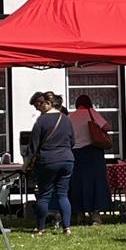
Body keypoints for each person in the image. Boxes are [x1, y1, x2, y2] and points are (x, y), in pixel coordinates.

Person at [27, 91, 76, 235]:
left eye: (38, 105)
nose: (37, 109)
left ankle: (41, 228)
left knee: (44, 195)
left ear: (47, 103)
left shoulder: (41, 121)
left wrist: (26, 165)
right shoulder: (66, 119)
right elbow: (73, 141)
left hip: (47, 160)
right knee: (63, 194)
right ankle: (66, 228)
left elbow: (32, 147)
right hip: (67, 159)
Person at [66, 94, 115, 224]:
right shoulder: (91, 112)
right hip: (93, 152)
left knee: (77, 184)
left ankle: (80, 215)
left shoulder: (70, 117)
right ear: (89, 103)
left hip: (75, 153)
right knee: (95, 183)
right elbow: (107, 127)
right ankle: (95, 216)